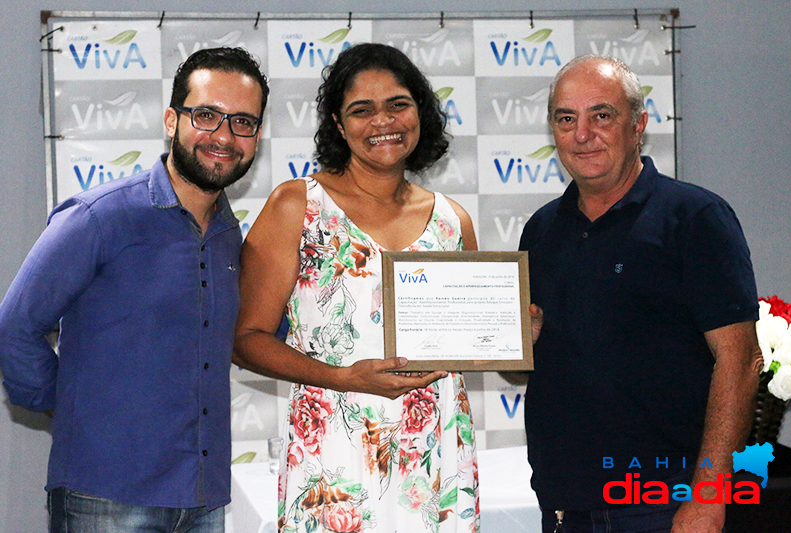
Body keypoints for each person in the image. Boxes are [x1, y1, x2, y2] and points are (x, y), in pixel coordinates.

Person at [0, 47, 268, 532]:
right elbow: (16, 325)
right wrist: (68, 406)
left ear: (257, 137)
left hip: (204, 497)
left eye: (242, 122)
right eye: (206, 115)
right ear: (172, 119)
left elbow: (257, 334)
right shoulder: (98, 217)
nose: (224, 136)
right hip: (108, 493)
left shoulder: (233, 238)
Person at [234, 43, 480, 533]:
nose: (382, 121)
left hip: (434, 460)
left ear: (420, 112)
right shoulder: (297, 206)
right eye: (361, 110)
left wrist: (516, 327)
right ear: (338, 124)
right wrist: (345, 378)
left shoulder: (454, 222)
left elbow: (473, 341)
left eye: (398, 104)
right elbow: (245, 340)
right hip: (334, 459)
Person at [518, 54, 763, 532]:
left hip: (664, 506)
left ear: (639, 125)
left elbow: (740, 359)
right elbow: (523, 369)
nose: (582, 134)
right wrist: (519, 342)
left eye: (601, 116)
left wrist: (708, 497)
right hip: (565, 505)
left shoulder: (695, 217)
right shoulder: (541, 229)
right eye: (566, 119)